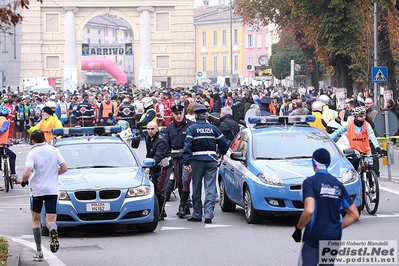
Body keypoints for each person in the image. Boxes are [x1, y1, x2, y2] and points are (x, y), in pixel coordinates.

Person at [292, 148, 359, 266]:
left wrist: (298, 228)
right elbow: (354, 214)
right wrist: (337, 227)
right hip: (333, 238)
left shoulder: (310, 182)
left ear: (313, 162)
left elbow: (309, 210)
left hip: (314, 236)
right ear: (328, 164)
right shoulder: (338, 184)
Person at [20, 130, 68, 261]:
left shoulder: (32, 153)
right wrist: (53, 174)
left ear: (33, 141)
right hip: (52, 190)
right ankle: (53, 229)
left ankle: (39, 251)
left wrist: (24, 181)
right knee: (51, 220)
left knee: (36, 220)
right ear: (44, 138)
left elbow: (26, 173)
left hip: (37, 190)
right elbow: (64, 167)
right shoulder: (54, 150)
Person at [183, 105, 229, 223]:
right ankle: (208, 214)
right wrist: (220, 153)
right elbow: (224, 144)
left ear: (196, 116)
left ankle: (197, 214)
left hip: (196, 160)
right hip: (211, 160)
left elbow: (187, 146)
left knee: (196, 186)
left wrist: (187, 161)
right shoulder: (213, 128)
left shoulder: (192, 129)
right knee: (210, 188)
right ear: (206, 116)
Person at [329, 106, 382, 171]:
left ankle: (371, 179)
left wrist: (377, 147)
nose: (363, 118)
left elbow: (372, 136)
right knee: (355, 164)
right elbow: (338, 132)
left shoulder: (367, 125)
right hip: (355, 150)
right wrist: (328, 139)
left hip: (366, 150)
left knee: (370, 167)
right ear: (355, 116)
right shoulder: (349, 124)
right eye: (361, 116)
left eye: (364, 115)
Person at [165, 104, 194, 218]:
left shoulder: (190, 126)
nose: (178, 116)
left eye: (180, 113)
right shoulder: (170, 127)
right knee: (179, 181)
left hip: (187, 157)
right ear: (173, 114)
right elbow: (167, 143)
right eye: (176, 114)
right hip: (175, 157)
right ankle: (185, 204)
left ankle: (182, 205)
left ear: (183, 113)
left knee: (185, 180)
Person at [144, 121, 171, 220]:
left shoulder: (161, 140)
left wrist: (149, 167)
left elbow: (158, 156)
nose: (150, 131)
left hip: (163, 167)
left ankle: (159, 213)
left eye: (152, 129)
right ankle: (161, 211)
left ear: (157, 129)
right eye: (148, 129)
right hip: (154, 167)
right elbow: (149, 154)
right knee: (154, 190)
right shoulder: (148, 138)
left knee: (160, 190)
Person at [0, 106, 19, 191]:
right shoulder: (6, 122)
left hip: (3, 144)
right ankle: (13, 174)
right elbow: (2, 130)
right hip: (2, 145)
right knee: (13, 156)